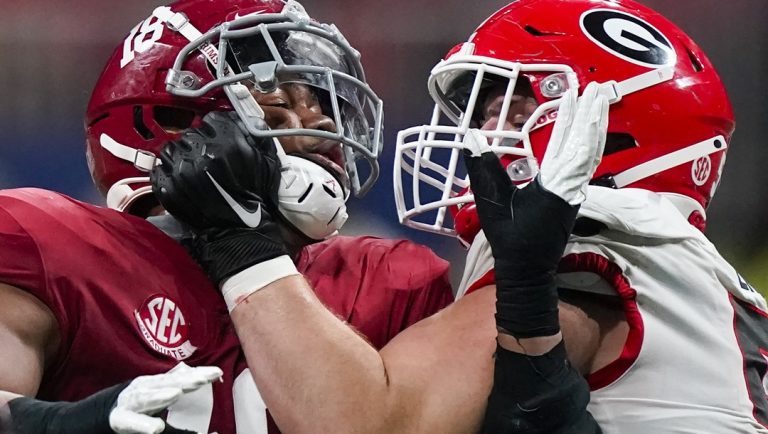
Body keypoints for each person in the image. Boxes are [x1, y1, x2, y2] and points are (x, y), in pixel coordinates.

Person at [155, 0, 768, 433]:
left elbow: (365, 423)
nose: (482, 136)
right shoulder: (702, 282)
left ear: (613, 127)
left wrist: (243, 245)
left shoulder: (596, 252)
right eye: (482, 112)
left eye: (514, 106)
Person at [0, 0, 452, 433]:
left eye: (322, 103)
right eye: (280, 103)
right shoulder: (50, 247)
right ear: (173, 124)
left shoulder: (387, 279)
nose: (324, 124)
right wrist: (57, 424)